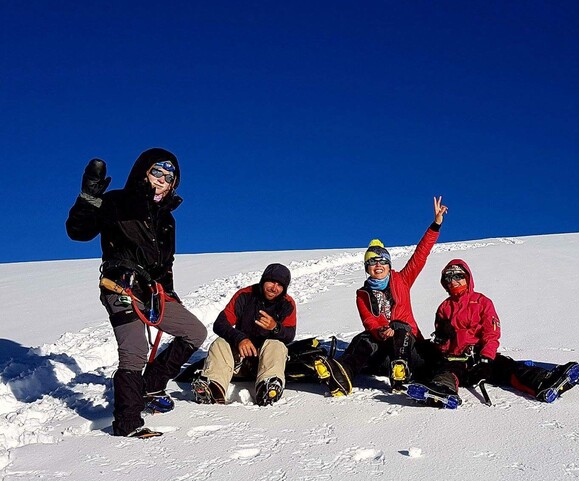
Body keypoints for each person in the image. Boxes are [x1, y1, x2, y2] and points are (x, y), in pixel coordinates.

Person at [66, 149, 207, 438]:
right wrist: (89, 198)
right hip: (120, 284)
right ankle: (128, 424)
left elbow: (165, 263)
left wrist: (168, 291)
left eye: (170, 177)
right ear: (143, 171)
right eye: (157, 172)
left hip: (153, 291)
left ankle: (151, 385)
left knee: (194, 331)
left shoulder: (167, 219)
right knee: (134, 351)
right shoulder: (117, 202)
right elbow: (78, 231)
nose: (162, 180)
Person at [313, 197, 447, 396]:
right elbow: (369, 320)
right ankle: (343, 376)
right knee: (363, 339)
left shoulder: (402, 279)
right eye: (373, 262)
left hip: (409, 350)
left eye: (382, 261)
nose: (378, 265)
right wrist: (381, 330)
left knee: (400, 327)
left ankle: (400, 371)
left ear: (389, 265)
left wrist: (435, 224)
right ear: (367, 268)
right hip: (382, 351)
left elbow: (421, 254)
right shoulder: (362, 294)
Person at [405, 259, 579, 408]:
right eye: (449, 277)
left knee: (508, 368)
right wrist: (443, 338)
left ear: (467, 277)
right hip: (454, 360)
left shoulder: (482, 302)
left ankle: (545, 382)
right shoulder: (444, 307)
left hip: (480, 358)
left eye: (458, 276)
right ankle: (440, 392)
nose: (454, 281)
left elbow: (492, 333)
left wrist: (486, 357)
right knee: (444, 372)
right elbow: (441, 344)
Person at [191, 264, 296, 406]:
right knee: (220, 343)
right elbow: (220, 323)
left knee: (276, 344)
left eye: (279, 285)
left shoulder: (287, 303)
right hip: (239, 361)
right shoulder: (245, 295)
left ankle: (268, 387)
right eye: (271, 282)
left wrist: (275, 327)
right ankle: (212, 387)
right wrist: (240, 338)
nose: (274, 288)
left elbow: (289, 335)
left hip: (266, 362)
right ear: (263, 280)